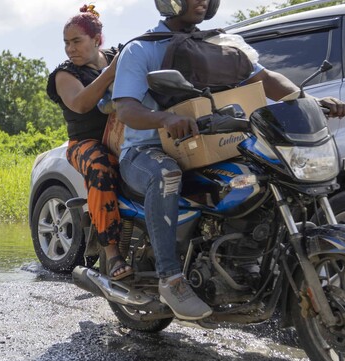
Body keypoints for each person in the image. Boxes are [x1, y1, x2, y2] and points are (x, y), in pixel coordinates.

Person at [113, 0, 345, 320]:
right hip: (148, 150)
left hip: (211, 146)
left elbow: (268, 80)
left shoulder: (220, 44)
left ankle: (245, 259)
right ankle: (171, 278)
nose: (203, 0)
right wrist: (164, 119)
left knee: (264, 176)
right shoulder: (141, 49)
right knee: (166, 175)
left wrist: (309, 101)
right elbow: (125, 109)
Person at [46, 4, 129, 280]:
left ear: (97, 40)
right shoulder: (64, 74)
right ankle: (112, 252)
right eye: (66, 43)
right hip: (85, 145)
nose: (70, 49)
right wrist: (112, 72)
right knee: (99, 165)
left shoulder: (117, 56)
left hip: (128, 137)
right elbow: (81, 104)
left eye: (77, 41)